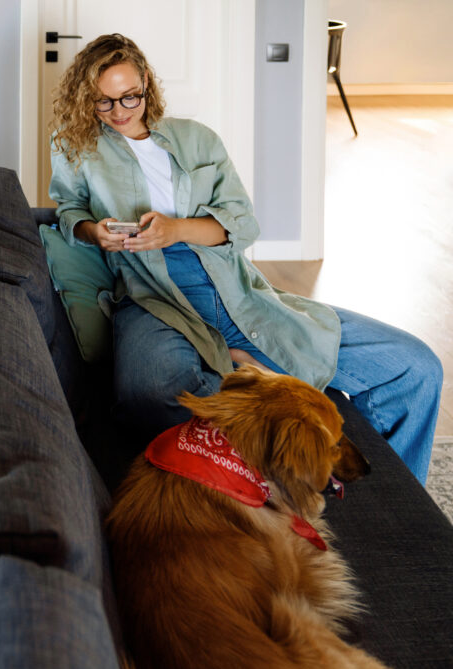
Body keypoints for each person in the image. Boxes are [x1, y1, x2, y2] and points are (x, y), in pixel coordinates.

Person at [48, 33, 442, 484]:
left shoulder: (196, 140)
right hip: (150, 300)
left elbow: (242, 223)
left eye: (129, 96)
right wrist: (93, 232)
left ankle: (395, 505)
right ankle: (253, 380)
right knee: (148, 395)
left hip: (233, 289)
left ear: (147, 88)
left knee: (416, 368)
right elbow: (68, 211)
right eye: (103, 102)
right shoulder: (75, 148)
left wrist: (176, 229)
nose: (119, 112)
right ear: (86, 99)